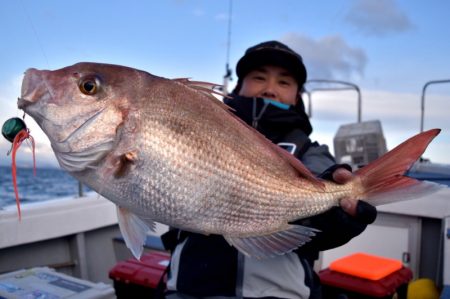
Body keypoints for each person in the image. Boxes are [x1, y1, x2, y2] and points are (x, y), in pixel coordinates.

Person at [162, 41, 377, 299]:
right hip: (188, 290)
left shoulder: (310, 151)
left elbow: (322, 202)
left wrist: (336, 217)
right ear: (238, 88)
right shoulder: (199, 135)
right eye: (259, 78)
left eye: (284, 82)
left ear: (297, 97)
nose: (270, 89)